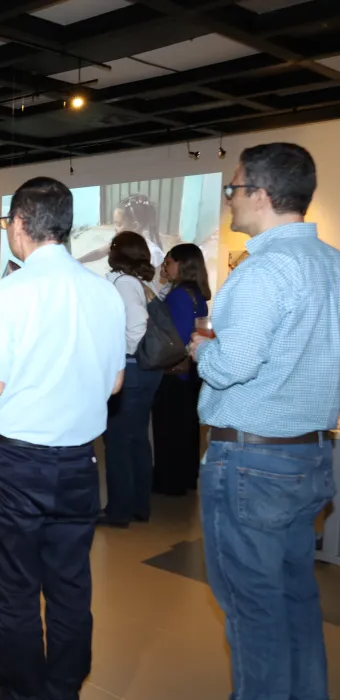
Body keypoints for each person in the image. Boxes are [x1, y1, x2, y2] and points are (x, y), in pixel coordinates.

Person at [0, 177, 125, 700]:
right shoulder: (104, 292)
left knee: (15, 592)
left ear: (20, 226)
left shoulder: (6, 293)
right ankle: (62, 691)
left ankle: (20, 694)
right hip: (79, 464)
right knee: (71, 587)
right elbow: (115, 382)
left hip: (13, 466)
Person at [189, 143, 339, 700]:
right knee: (296, 599)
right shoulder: (333, 264)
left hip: (251, 463)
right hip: (311, 457)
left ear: (261, 194)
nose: (228, 201)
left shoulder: (263, 272)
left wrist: (201, 349)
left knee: (252, 612)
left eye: (232, 189)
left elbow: (230, 367)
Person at [98, 231, 163, 528]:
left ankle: (119, 511)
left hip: (132, 369)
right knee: (136, 440)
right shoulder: (143, 282)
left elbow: (137, 326)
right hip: (146, 371)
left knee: (118, 441)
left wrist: (120, 354)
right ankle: (140, 504)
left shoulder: (123, 283)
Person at [151, 244, 210, 496]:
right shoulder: (198, 294)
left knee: (168, 429)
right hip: (192, 370)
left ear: (182, 264)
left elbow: (173, 336)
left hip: (173, 371)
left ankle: (169, 481)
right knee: (186, 429)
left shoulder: (177, 295)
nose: (166, 267)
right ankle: (185, 477)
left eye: (169, 262)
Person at [76, 194, 164, 271]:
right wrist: (77, 261)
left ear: (136, 226)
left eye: (118, 224)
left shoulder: (154, 254)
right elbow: (99, 253)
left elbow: (159, 285)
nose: (115, 228)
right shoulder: (120, 243)